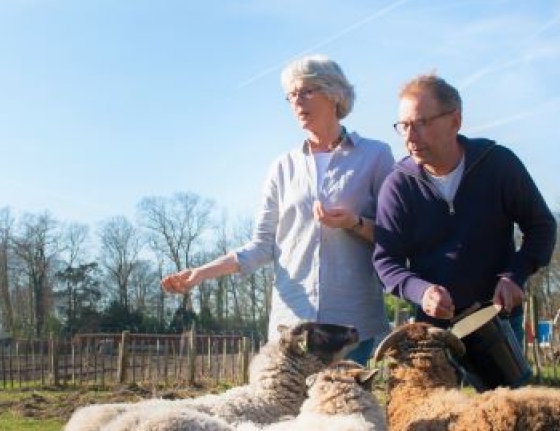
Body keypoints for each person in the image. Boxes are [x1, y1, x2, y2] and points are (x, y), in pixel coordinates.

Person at [372, 73, 557, 431]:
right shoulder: (399, 184)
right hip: (431, 334)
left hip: (495, 318)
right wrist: (418, 290)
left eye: (421, 123)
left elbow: (542, 227)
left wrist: (515, 275)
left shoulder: (497, 165)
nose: (410, 136)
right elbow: (386, 261)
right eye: (402, 125)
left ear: (455, 119)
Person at [162, 56, 393, 365]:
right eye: (291, 95)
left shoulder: (376, 156)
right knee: (289, 412)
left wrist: (354, 222)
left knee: (344, 410)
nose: (297, 101)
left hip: (350, 325)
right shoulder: (282, 167)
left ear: (334, 94)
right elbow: (261, 246)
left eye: (307, 91)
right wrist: (200, 274)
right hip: (294, 327)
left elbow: (394, 235)